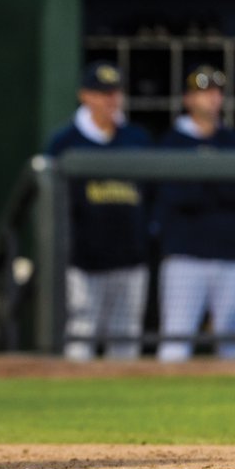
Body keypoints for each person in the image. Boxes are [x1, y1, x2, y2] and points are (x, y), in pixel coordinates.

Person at [45, 61, 152, 361]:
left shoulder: (137, 138)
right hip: (83, 262)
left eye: (115, 92)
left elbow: (153, 194)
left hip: (131, 260)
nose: (111, 99)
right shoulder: (65, 141)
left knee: (127, 341)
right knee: (80, 338)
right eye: (102, 92)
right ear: (85, 96)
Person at [155, 65, 235, 361]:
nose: (212, 98)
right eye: (204, 92)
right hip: (185, 257)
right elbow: (175, 195)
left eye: (216, 92)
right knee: (175, 342)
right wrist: (221, 185)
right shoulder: (171, 142)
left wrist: (203, 183)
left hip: (231, 257)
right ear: (188, 99)